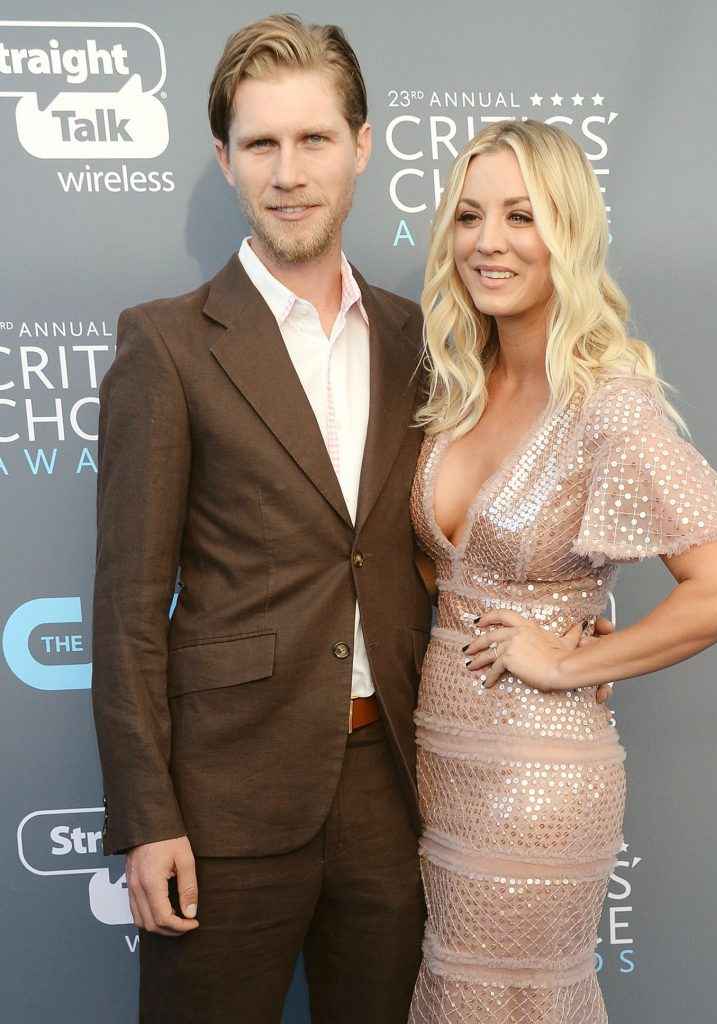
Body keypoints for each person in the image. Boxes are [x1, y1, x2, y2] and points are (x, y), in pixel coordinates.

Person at [91, 16, 431, 1023]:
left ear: (361, 147)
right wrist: (148, 817)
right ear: (225, 159)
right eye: (261, 144)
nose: (288, 172)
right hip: (223, 801)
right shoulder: (167, 345)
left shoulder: (417, 338)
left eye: (314, 139)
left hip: (393, 790)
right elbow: (127, 606)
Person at [407, 120, 717, 1023]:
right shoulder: (459, 384)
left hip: (541, 777)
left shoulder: (609, 404)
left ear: (569, 233)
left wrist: (571, 662)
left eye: (521, 216)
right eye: (470, 216)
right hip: (441, 762)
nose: (489, 242)